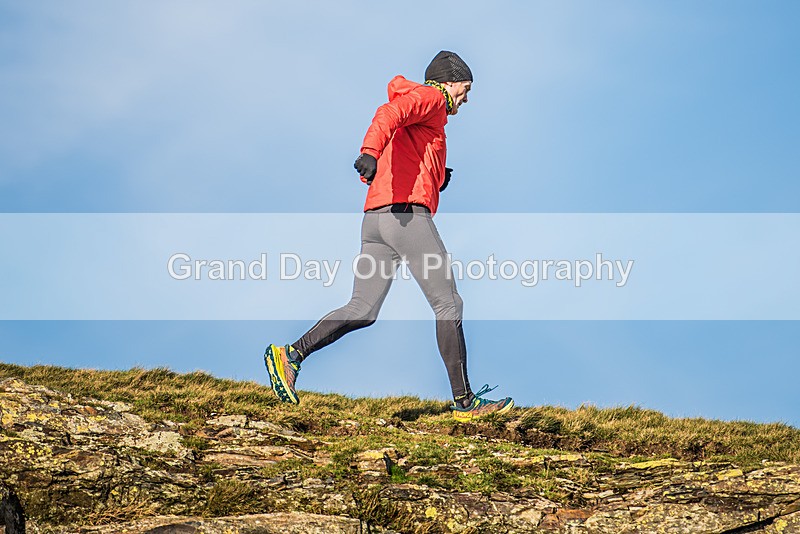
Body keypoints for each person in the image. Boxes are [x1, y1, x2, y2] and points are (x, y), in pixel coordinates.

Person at [264, 50, 513, 422]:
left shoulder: (429, 113)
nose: (467, 96)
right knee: (449, 304)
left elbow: (406, 142)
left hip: (376, 221)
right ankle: (465, 403)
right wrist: (368, 152)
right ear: (449, 81)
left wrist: (437, 174)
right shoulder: (431, 98)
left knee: (362, 310)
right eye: (466, 87)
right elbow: (387, 115)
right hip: (405, 219)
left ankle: (290, 355)